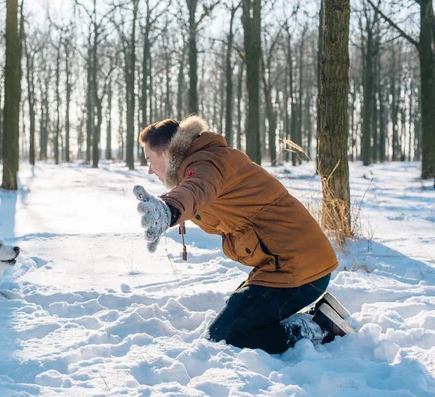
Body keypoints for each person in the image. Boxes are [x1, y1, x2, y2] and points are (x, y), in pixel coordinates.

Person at [133, 115, 355, 354]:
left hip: (298, 271)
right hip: (287, 265)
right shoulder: (207, 159)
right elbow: (195, 191)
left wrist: (168, 208)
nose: (149, 170)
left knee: (226, 337)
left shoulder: (207, 164)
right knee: (234, 316)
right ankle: (325, 316)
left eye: (149, 160)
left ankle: (318, 328)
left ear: (166, 154)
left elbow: (196, 189)